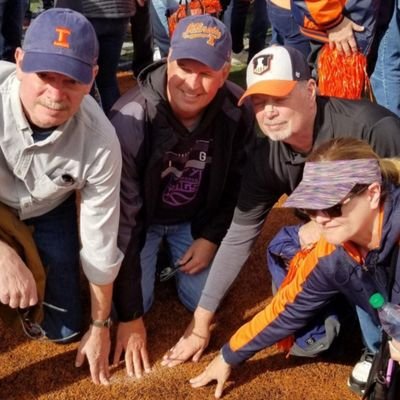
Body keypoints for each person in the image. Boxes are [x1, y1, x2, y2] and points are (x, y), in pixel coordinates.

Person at [162, 45, 400, 387]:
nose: (268, 111)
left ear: (310, 90)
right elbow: (242, 237)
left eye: (279, 97)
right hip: (354, 250)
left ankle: (379, 340)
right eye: (259, 102)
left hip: (385, 242)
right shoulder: (267, 158)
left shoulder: (375, 129)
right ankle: (373, 338)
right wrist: (205, 325)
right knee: (327, 263)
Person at [188, 137, 400, 398]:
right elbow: (287, 308)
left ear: (373, 194)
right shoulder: (331, 253)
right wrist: (228, 356)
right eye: (311, 208)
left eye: (333, 206)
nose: (321, 219)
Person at [109, 14, 255, 378]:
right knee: (133, 302)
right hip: (141, 222)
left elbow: (240, 183)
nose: (192, 83)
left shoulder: (238, 112)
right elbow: (121, 220)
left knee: (203, 299)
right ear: (168, 58)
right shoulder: (129, 118)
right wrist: (129, 317)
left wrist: (210, 236)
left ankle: (172, 254)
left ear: (225, 73)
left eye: (206, 72)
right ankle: (154, 259)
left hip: (192, 220)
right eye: (184, 67)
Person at [0, 8, 123, 385]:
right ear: (19, 62)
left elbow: (100, 245)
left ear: (93, 80)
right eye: (44, 75)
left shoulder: (101, 142)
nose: (55, 94)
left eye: (71, 79)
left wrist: (100, 325)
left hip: (46, 209)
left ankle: (25, 258)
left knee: (66, 330)